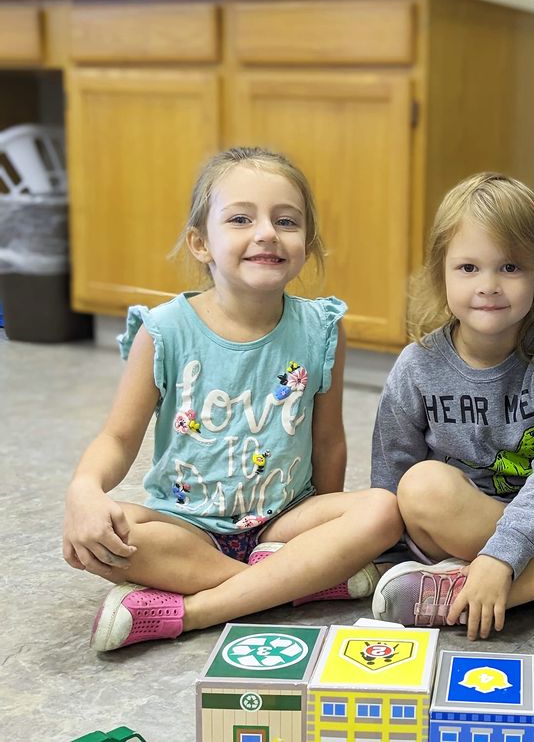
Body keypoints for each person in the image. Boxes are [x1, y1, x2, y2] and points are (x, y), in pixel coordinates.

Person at [62, 147, 403, 652]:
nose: (266, 232)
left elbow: (327, 440)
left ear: (305, 244)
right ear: (201, 243)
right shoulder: (164, 332)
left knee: (383, 511)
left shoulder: (321, 329)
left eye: (285, 220)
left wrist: (321, 530)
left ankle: (200, 610)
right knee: (94, 539)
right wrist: (85, 490)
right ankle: (298, 582)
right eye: (241, 218)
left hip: (283, 523)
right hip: (186, 525)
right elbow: (117, 437)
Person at [369, 172, 534, 640]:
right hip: (456, 524)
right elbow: (391, 471)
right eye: (468, 268)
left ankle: (459, 595)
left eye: (510, 268)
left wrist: (500, 557)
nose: (488, 285)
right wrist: (386, 557)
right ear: (440, 273)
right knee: (421, 485)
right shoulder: (417, 365)